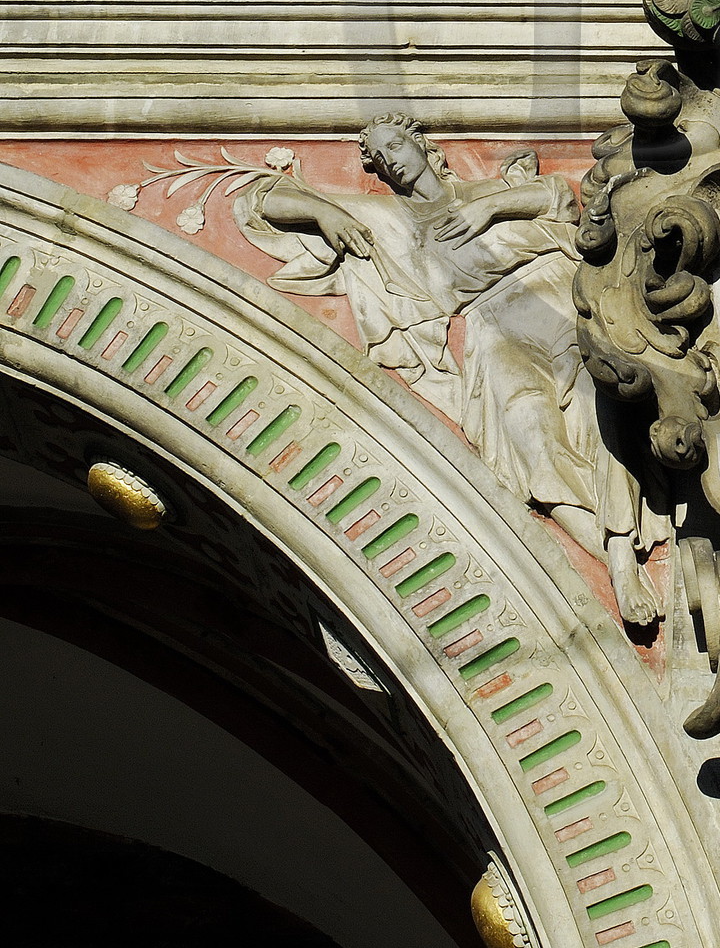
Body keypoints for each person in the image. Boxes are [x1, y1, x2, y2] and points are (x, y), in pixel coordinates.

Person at [235, 114, 668, 627]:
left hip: (557, 296)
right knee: (525, 428)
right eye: (380, 155)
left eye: (397, 143)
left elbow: (558, 198)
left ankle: (621, 553)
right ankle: (608, 555)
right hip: (492, 321)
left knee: (605, 416)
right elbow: (258, 201)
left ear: (423, 145)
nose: (392, 159)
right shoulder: (385, 220)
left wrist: (489, 206)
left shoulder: (489, 190)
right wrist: (325, 212)